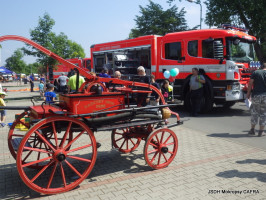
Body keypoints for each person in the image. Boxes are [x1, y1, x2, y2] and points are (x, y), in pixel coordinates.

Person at [246, 62, 266, 137]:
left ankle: (252, 130)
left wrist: (248, 94)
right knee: (263, 114)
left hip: (256, 95)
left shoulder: (256, 72)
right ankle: (261, 132)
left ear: (261, 67)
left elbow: (250, 83)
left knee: (254, 112)